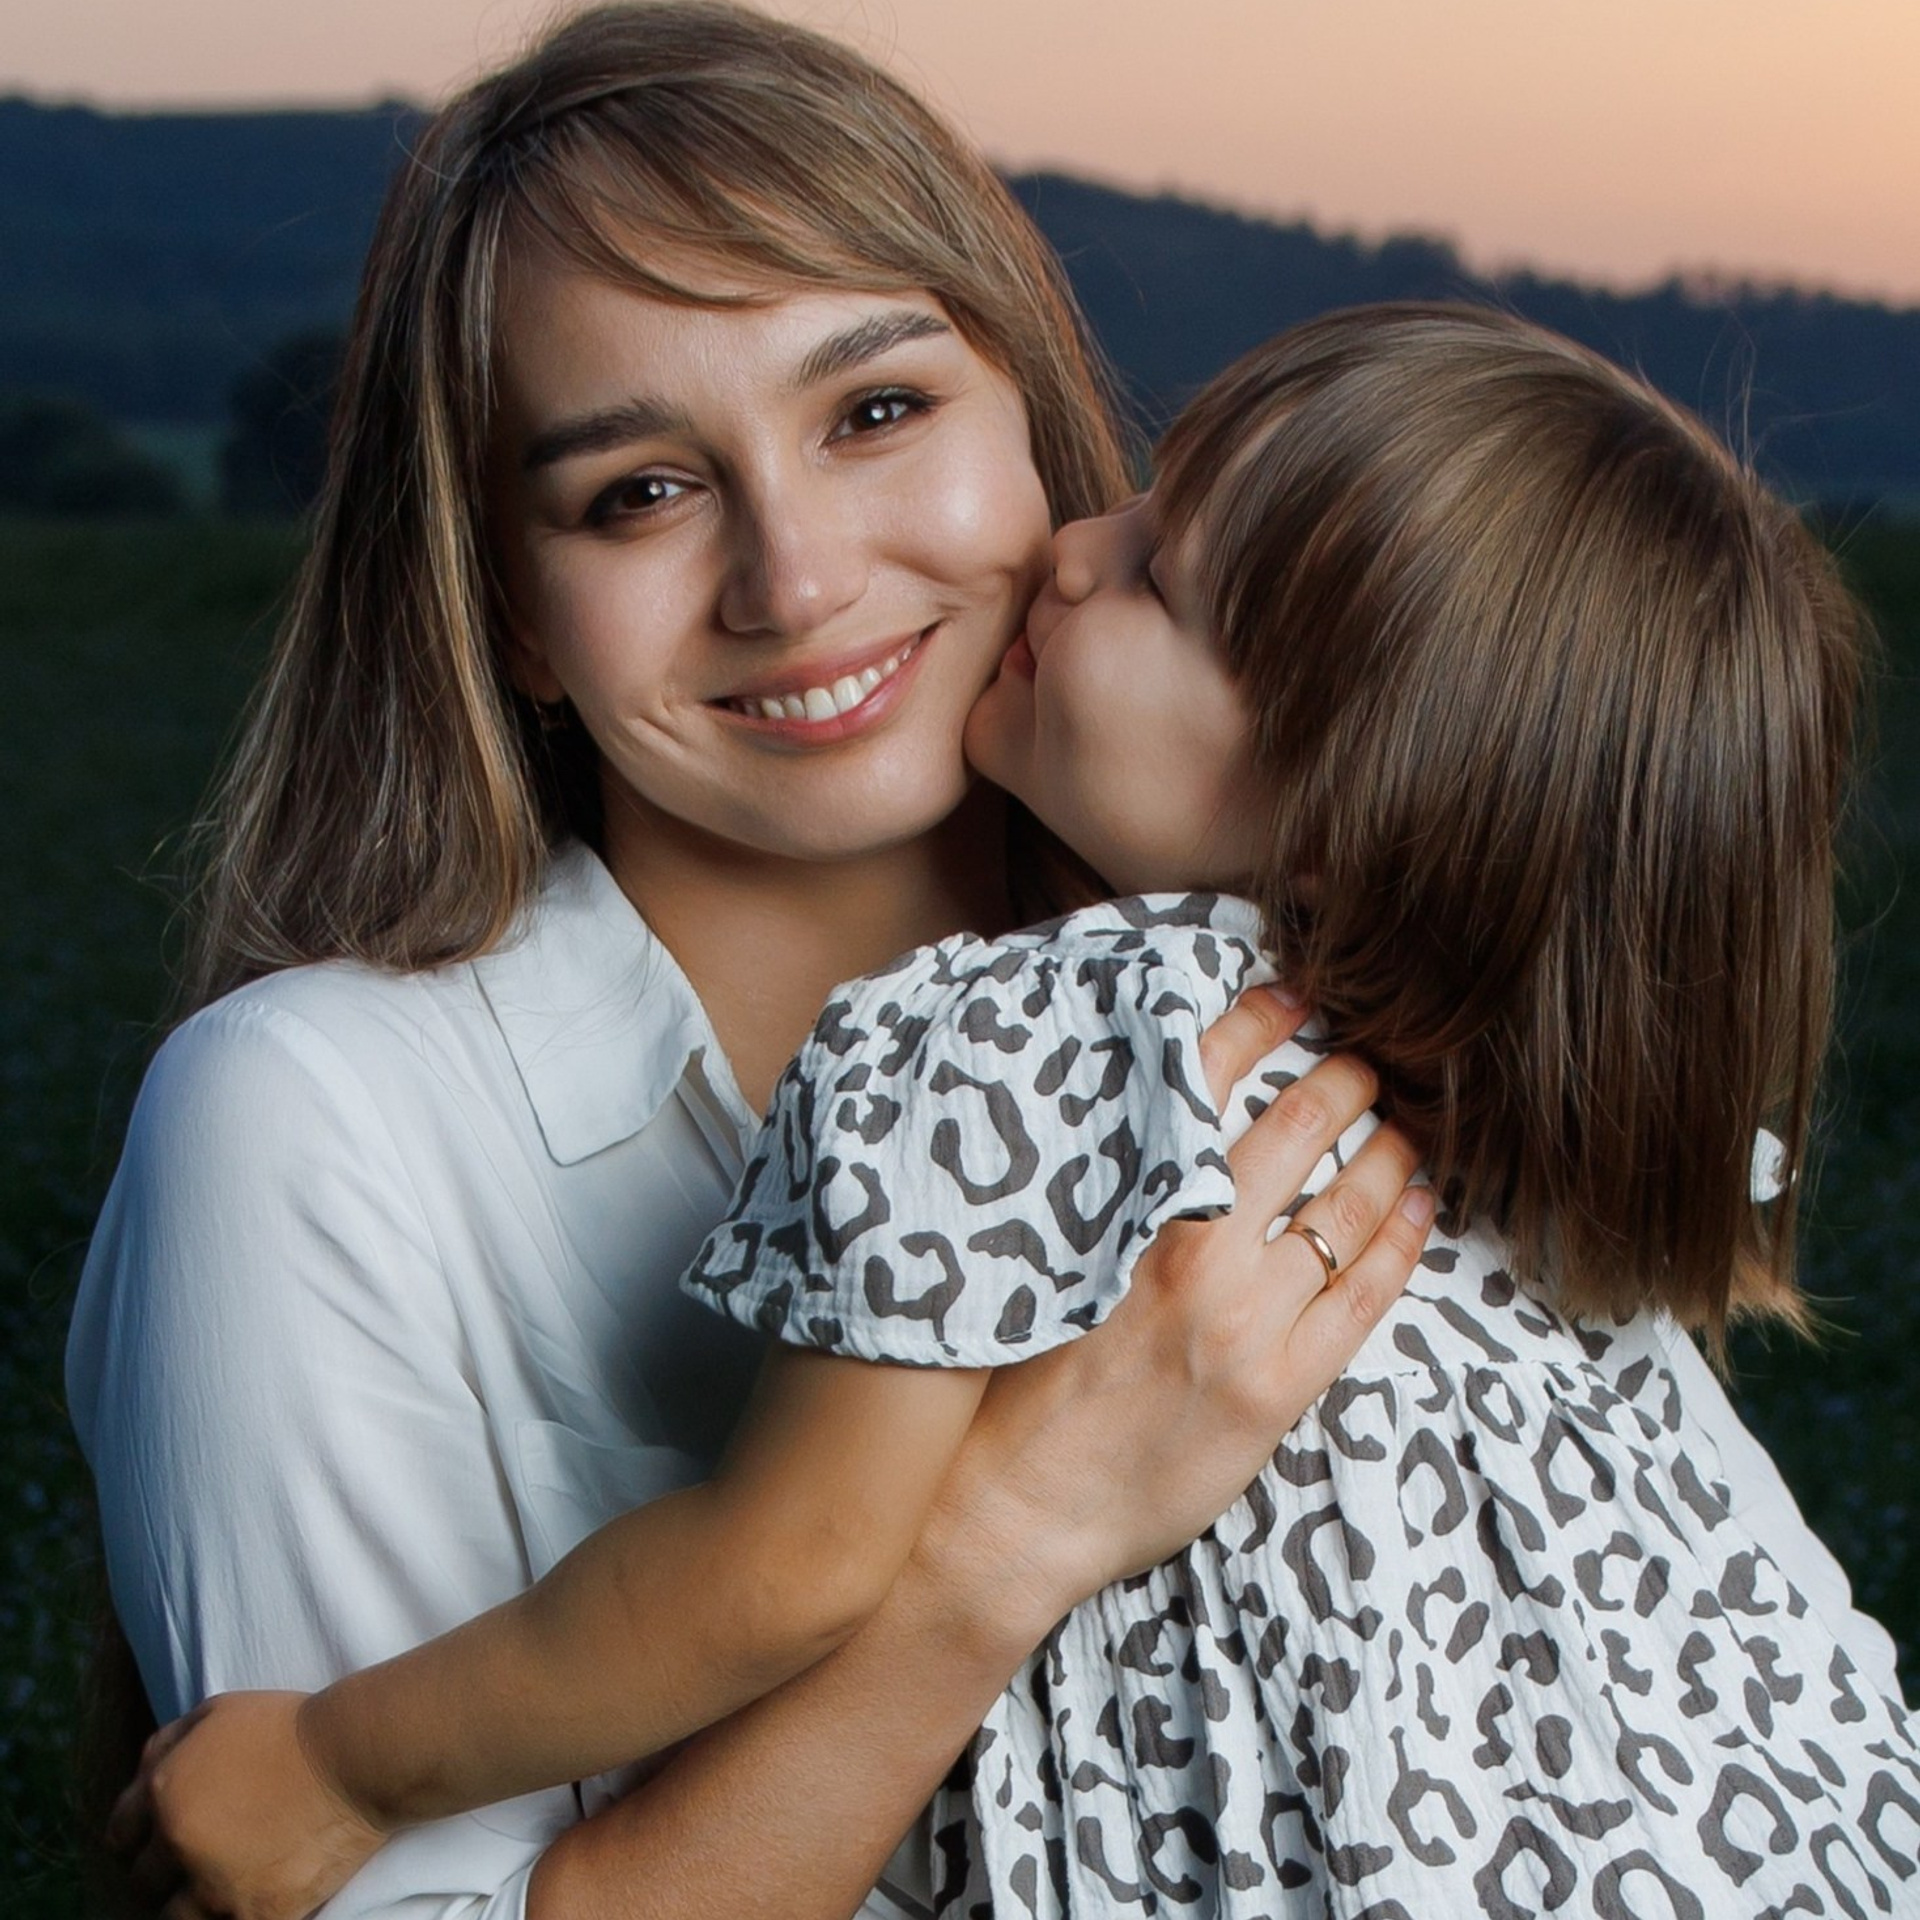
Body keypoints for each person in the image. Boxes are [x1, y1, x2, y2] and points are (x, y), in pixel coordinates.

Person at [112, 308, 1918, 1918]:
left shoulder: (1020, 1038)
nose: (1076, 555)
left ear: (1366, 793)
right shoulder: (1493, 1081)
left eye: (1160, 582)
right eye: (639, 492)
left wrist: (344, 1763)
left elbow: (786, 1564)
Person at [66, 9, 1441, 1919]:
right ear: (517, 619)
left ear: (1038, 431)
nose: (791, 581)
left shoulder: (1336, 1006)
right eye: (636, 490)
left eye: (875, 412)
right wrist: (1002, 1543)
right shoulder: (312, 1124)